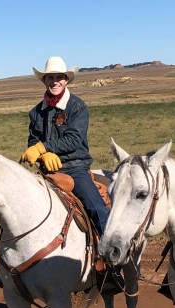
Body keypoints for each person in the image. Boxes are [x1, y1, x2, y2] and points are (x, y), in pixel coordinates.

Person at [21, 56, 109, 236]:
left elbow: (74, 139)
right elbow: (33, 141)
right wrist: (41, 155)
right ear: (44, 80)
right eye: (50, 77)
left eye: (59, 77)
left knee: (97, 210)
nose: (55, 82)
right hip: (46, 171)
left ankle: (111, 254)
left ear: (66, 80)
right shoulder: (36, 112)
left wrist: (42, 148)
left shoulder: (76, 107)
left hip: (74, 168)